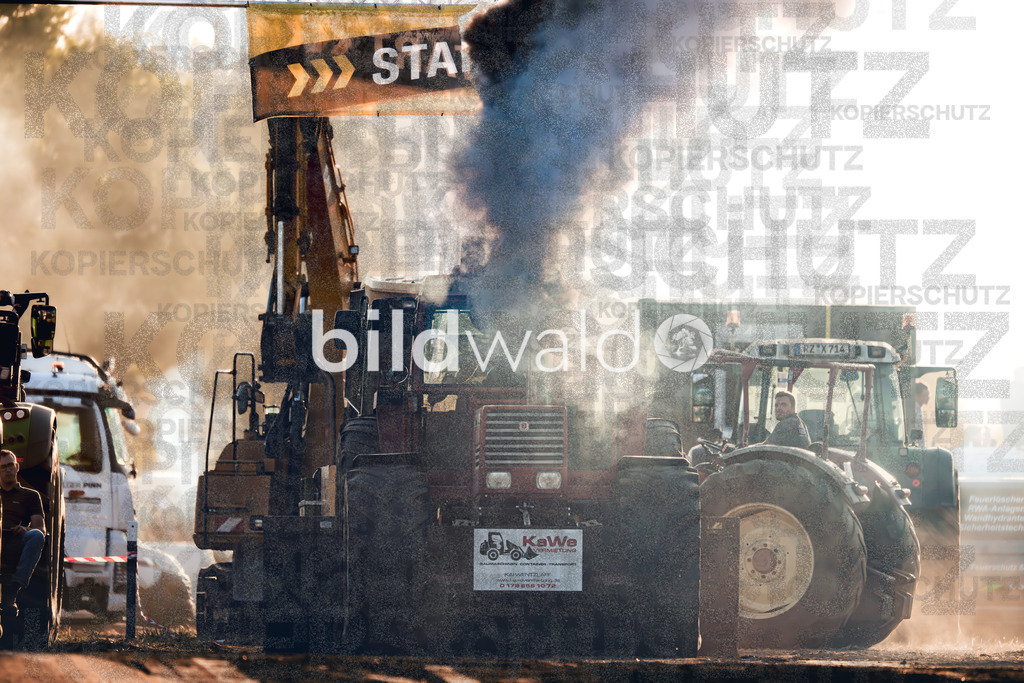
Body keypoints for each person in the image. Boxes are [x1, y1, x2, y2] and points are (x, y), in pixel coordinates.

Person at [0, 449, 46, 619]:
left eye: (10, 465)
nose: (8, 470)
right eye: (3, 467)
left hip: (14, 541)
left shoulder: (31, 496)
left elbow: (40, 529)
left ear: (17, 466)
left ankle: (12, 591)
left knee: (36, 536)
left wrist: (24, 530)